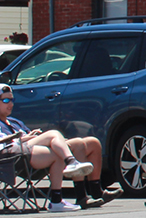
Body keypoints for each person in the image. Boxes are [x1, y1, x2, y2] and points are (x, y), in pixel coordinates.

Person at [0, 83, 113, 211]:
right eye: (5, 100)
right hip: (12, 153)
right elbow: (4, 142)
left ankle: (81, 196)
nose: (10, 104)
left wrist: (33, 135)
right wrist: (26, 138)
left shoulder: (15, 122)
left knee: (80, 143)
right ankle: (70, 162)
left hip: (31, 149)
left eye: (12, 100)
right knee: (53, 134)